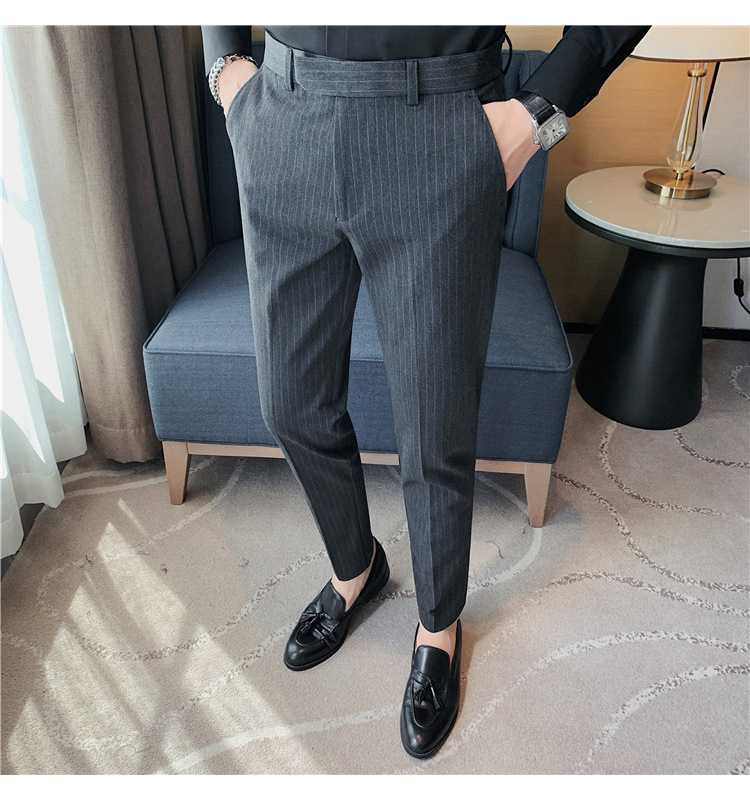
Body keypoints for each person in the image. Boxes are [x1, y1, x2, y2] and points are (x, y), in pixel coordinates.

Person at [202, 24, 649, 759]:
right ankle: (357, 567)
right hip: (284, 115)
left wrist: (536, 113)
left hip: (438, 127)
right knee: (289, 403)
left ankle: (439, 625)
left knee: (434, 425)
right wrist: (225, 66)